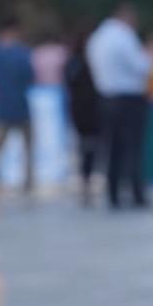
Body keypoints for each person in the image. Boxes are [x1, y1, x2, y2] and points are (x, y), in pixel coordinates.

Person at [85, 3, 153, 210]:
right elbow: (142, 66)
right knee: (133, 148)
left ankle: (113, 194)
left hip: (105, 98)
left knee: (112, 148)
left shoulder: (97, 38)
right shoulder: (124, 37)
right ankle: (136, 193)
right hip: (129, 98)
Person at [0, 16, 36, 208]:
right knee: (28, 150)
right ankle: (27, 185)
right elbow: (30, 76)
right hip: (21, 106)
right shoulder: (22, 53)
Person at [63, 30, 103, 207]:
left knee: (85, 147)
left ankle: (85, 182)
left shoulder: (71, 64)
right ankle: (87, 181)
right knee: (90, 148)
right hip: (90, 111)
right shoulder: (88, 64)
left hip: (79, 111)